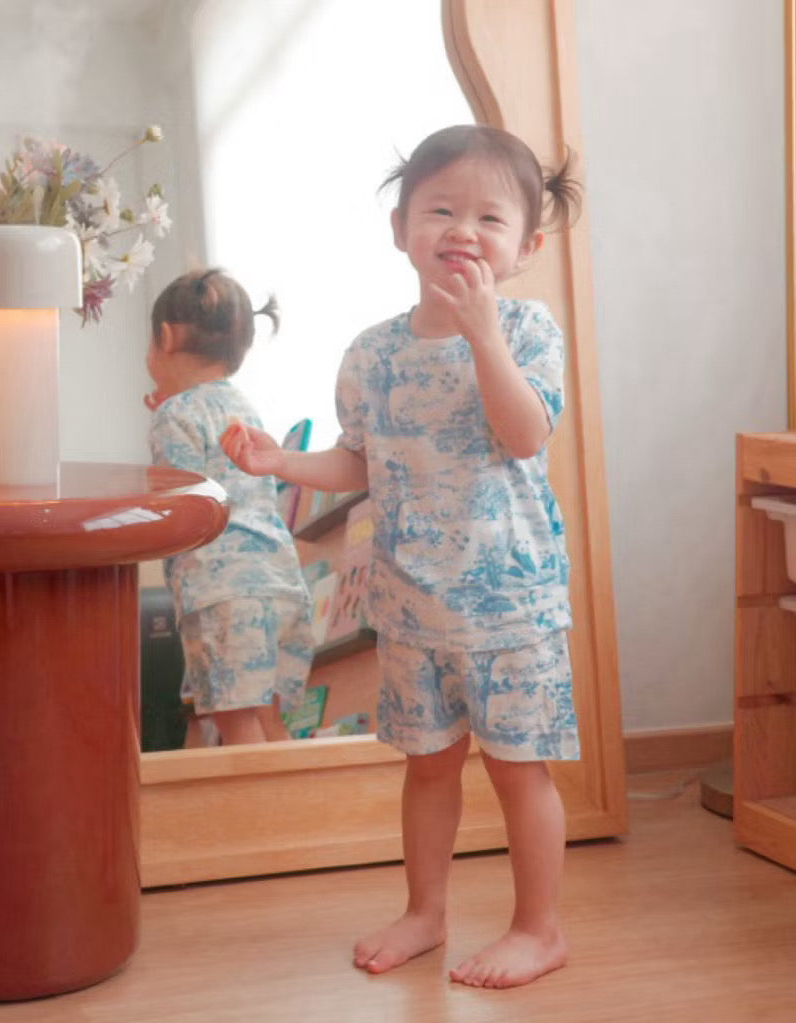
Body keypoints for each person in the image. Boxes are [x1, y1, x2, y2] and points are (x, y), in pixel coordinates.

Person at [220, 124, 581, 988]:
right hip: (411, 607)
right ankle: (426, 912)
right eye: (440, 210)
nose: (462, 230)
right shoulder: (371, 354)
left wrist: (483, 337)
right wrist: (279, 464)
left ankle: (538, 929)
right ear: (400, 230)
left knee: (518, 772)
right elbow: (360, 462)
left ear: (525, 248)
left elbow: (523, 433)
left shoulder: (526, 328)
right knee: (426, 769)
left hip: (511, 610)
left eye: (489, 218)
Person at [145, 268, 314, 746]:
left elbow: (181, 504)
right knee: (269, 720)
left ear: (165, 338)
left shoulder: (174, 415)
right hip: (280, 582)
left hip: (222, 591)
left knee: (236, 723)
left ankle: (260, 800)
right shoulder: (244, 407)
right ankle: (292, 797)